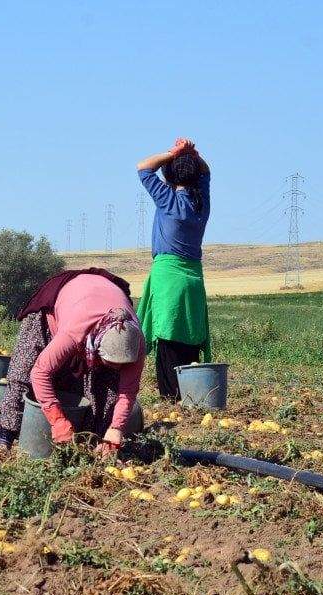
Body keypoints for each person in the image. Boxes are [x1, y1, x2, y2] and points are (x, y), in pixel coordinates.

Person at [0, 269, 144, 456]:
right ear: (95, 346)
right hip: (62, 302)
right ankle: (5, 437)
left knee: (109, 386)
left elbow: (127, 391)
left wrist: (117, 428)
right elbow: (40, 372)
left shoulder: (135, 342)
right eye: (110, 360)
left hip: (100, 299)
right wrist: (57, 420)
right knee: (22, 371)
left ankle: (96, 442)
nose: (117, 366)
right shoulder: (74, 332)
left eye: (121, 363)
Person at [135, 138, 211, 399]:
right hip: (194, 278)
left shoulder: (167, 198)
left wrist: (173, 153)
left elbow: (143, 167)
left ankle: (170, 396)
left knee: (167, 336)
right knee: (189, 334)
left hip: (168, 277)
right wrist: (191, 155)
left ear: (169, 173)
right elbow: (206, 172)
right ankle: (192, 392)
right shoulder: (201, 202)